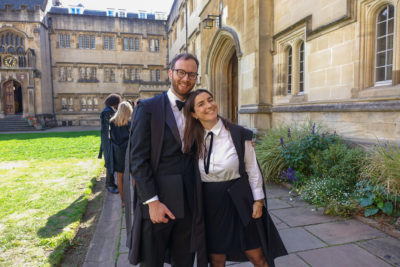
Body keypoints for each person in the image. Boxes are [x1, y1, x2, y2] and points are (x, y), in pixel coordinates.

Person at [183, 89, 288, 267]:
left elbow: (252, 169)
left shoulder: (238, 134)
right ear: (193, 114)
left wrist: (258, 201)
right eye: (201, 104)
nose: (209, 105)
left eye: (210, 100)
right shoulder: (191, 140)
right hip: (210, 204)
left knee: (258, 256)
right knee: (216, 259)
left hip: (240, 200)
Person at [125, 53, 207, 267]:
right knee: (151, 262)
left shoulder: (197, 108)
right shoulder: (148, 108)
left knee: (185, 261)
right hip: (158, 200)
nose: (186, 79)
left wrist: (241, 142)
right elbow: (138, 159)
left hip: (189, 202)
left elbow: (217, 129)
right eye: (181, 72)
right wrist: (152, 202)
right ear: (170, 73)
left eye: (191, 74)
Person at [109, 101, 134, 207]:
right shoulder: (132, 122)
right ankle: (136, 200)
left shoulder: (112, 122)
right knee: (134, 175)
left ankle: (123, 201)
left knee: (120, 176)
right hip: (130, 151)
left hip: (118, 151)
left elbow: (111, 138)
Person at [98, 93, 121, 194]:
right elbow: (108, 128)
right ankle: (109, 184)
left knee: (111, 161)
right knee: (110, 162)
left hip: (109, 140)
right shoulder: (107, 112)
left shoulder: (110, 111)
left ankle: (111, 183)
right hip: (108, 141)